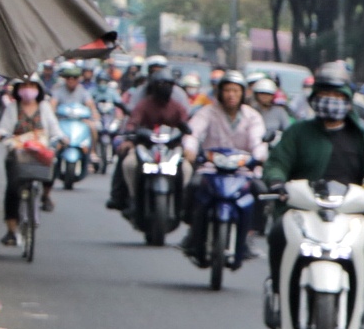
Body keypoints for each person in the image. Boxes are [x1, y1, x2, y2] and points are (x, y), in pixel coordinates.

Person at [261, 62, 364, 285]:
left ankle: (356, 305)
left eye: (336, 95)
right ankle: (278, 289)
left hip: (349, 212)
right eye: (325, 94)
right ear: (314, 98)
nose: (331, 100)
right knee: (277, 236)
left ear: (347, 100)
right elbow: (277, 163)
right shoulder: (298, 132)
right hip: (302, 208)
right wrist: (276, 181)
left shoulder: (360, 136)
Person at [180, 71, 267, 264]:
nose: (231, 95)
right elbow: (193, 133)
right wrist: (190, 149)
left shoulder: (252, 116)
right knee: (193, 186)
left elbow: (258, 140)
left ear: (243, 93)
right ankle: (192, 231)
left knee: (260, 192)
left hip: (243, 169)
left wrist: (260, 155)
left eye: (235, 91)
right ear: (220, 92)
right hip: (211, 167)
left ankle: (249, 235)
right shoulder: (207, 112)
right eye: (227, 90)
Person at [109, 66, 190, 213]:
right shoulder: (144, 104)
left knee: (187, 168)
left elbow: (185, 123)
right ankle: (129, 197)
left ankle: (184, 201)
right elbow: (133, 122)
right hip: (145, 145)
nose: (164, 89)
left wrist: (186, 134)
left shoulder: (177, 106)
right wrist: (129, 135)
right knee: (129, 163)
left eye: (168, 85)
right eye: (160, 85)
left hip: (171, 147)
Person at [0, 78, 59, 243]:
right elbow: (4, 128)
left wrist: (60, 139)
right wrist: (1, 134)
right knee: (13, 189)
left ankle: (46, 195)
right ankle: (11, 230)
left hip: (40, 153)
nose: (28, 89)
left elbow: (54, 128)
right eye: (24, 86)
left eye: (31, 86)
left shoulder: (44, 108)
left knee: (54, 163)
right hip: (18, 153)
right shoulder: (12, 108)